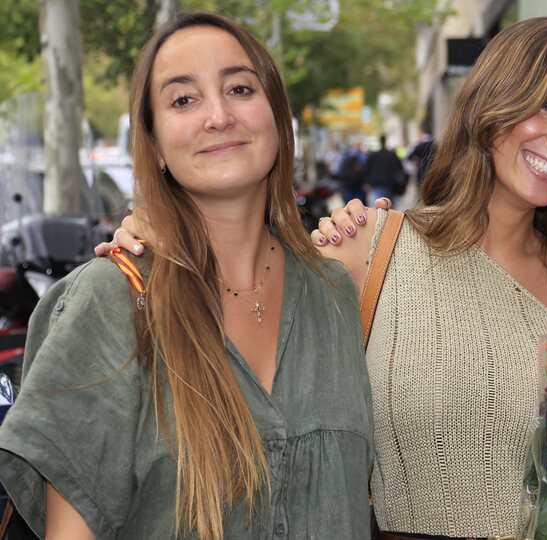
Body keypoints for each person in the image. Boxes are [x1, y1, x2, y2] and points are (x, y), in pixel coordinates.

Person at [106, 17, 547, 540]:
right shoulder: (371, 249)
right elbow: (242, 312)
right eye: (546, 104)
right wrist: (156, 231)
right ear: (491, 102)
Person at [0, 12, 373, 539]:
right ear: (154, 146)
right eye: (183, 100)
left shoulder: (336, 294)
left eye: (240, 88)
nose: (219, 116)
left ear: (276, 116)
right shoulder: (110, 302)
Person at [363, 134, 408, 204]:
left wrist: (366, 182)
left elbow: (367, 169)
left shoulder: (373, 155)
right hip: (391, 185)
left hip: (377, 185)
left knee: (378, 210)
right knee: (391, 210)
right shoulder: (392, 155)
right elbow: (400, 169)